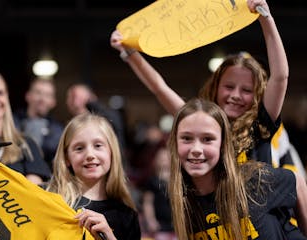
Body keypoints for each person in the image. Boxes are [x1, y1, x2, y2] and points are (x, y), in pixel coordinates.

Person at [110, 0, 288, 166]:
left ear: (257, 94)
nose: (235, 95)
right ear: (215, 87)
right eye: (229, 86)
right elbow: (160, 88)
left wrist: (266, 19)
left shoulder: (262, 123)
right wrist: (130, 53)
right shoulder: (201, 121)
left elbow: (280, 77)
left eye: (246, 90)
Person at [168, 98, 307, 239]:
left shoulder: (252, 180)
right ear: (175, 143)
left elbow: (297, 183)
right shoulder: (184, 202)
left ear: (222, 145)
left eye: (208, 139)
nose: (196, 149)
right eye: (186, 138)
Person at [46, 113, 141, 240]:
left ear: (112, 152)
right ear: (67, 158)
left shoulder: (127, 217)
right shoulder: (52, 202)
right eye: (79, 148)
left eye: (98, 146)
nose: (90, 155)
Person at [65, 83, 128, 166]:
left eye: (76, 97)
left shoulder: (105, 120)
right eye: (70, 97)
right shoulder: (67, 126)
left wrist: (91, 103)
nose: (74, 102)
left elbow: (113, 121)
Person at [14, 77, 64, 169]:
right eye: (38, 93)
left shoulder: (58, 130)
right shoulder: (12, 123)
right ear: (28, 96)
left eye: (47, 95)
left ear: (53, 102)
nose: (42, 99)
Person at [141, 142, 176, 240]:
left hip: (176, 225)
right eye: (161, 158)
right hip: (160, 225)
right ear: (156, 161)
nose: (164, 161)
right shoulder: (153, 181)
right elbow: (148, 203)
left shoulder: (177, 181)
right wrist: (151, 220)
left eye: (167, 158)